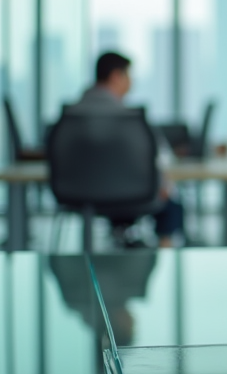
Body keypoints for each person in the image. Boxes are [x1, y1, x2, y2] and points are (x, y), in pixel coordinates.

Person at [77, 51, 185, 247]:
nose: (131, 82)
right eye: (129, 76)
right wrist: (161, 183)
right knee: (171, 204)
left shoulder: (72, 114)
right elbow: (155, 155)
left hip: (80, 197)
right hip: (132, 194)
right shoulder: (130, 118)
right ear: (116, 76)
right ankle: (166, 257)